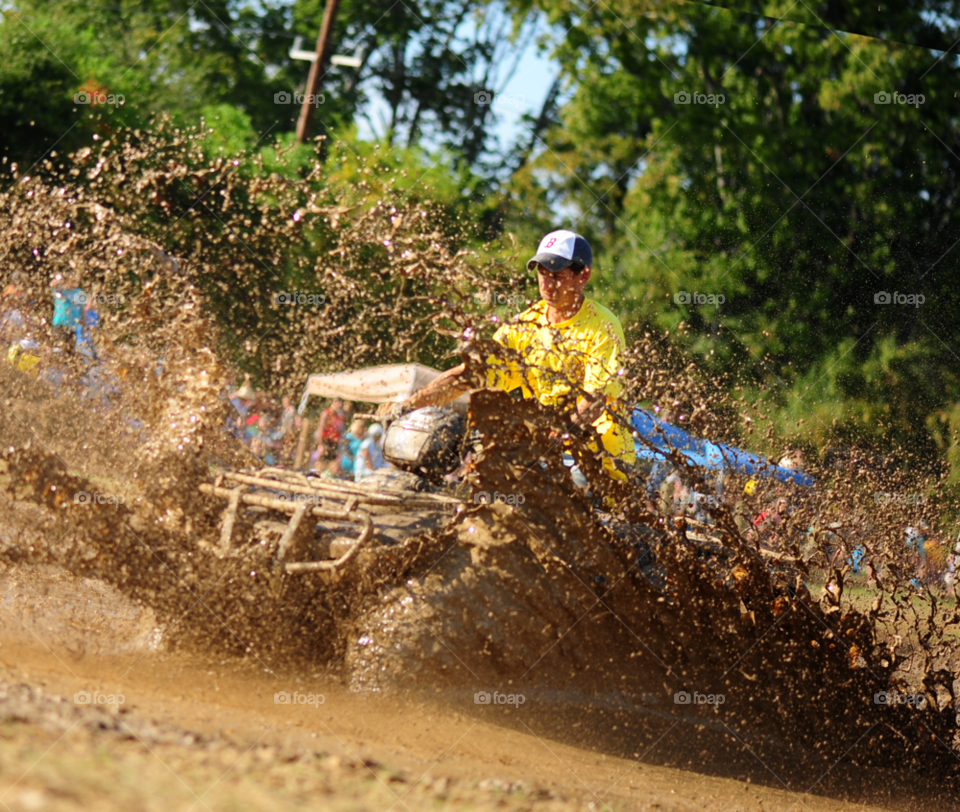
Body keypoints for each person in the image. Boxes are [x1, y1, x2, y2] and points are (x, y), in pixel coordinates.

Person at [397, 230, 636, 481]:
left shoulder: (603, 327)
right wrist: (409, 406)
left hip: (599, 459)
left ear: (583, 276)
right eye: (542, 273)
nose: (546, 284)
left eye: (556, 275)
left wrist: (547, 443)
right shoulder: (523, 327)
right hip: (546, 454)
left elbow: (594, 403)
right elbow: (469, 374)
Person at [315, 399, 346, 475]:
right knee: (322, 459)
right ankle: (317, 473)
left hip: (334, 441)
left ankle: (328, 474)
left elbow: (339, 429)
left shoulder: (338, 416)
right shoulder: (326, 413)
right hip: (326, 439)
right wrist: (320, 444)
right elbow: (321, 428)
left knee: (332, 460)